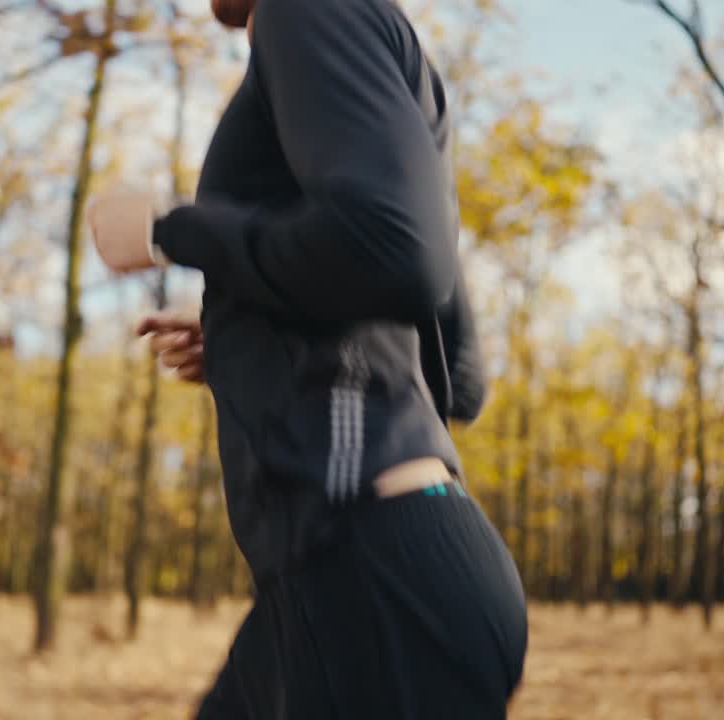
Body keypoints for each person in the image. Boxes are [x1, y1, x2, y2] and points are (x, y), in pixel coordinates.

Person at [87, 0, 527, 717]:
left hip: (373, 579)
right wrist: (241, 334)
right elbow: (457, 374)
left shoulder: (308, 9)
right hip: (373, 573)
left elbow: (396, 254)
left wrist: (171, 228)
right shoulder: (373, 65)